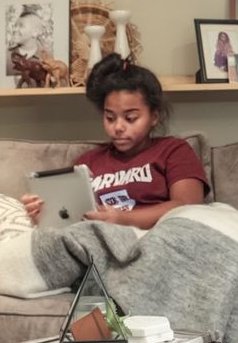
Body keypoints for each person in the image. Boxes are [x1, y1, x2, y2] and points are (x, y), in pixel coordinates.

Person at [22, 53, 209, 229]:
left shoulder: (173, 151)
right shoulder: (87, 163)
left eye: (131, 118)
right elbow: (72, 220)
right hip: (100, 242)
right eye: (110, 118)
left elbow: (187, 207)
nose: (118, 127)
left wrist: (122, 220)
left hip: (158, 238)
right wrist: (45, 214)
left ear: (154, 116)